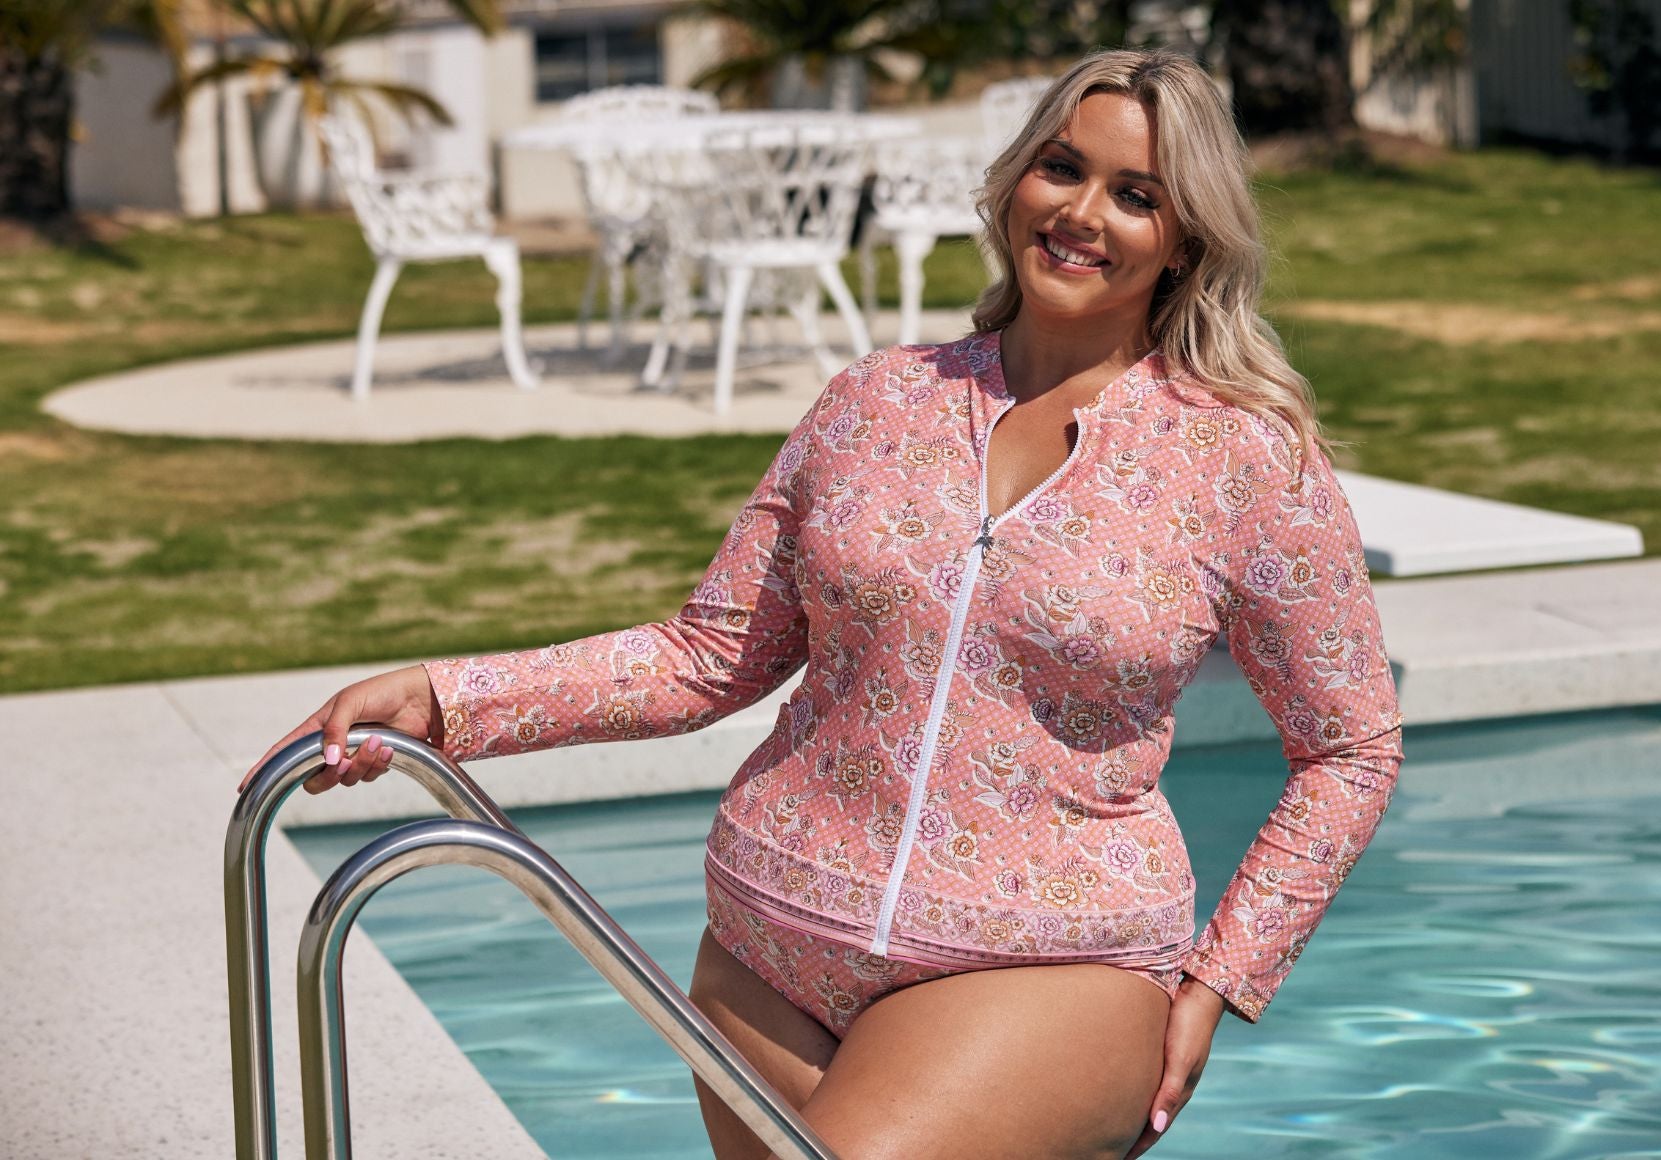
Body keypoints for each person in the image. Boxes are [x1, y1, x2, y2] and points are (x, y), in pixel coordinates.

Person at [247, 48, 1404, 1160]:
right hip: (767, 947)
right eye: (1061, 168)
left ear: (1185, 235)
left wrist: (1223, 975)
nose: (1082, 213)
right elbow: (706, 655)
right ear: (1014, 183)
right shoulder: (874, 400)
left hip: (1042, 964)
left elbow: (1349, 746)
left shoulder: (1243, 461)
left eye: (1134, 193)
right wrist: (448, 699)